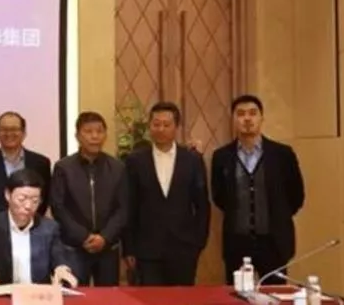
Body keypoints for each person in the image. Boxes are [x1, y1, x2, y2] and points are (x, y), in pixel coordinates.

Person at [211, 94, 305, 284]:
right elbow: (219, 197)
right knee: (236, 294)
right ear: (233, 120)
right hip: (237, 242)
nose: (247, 119)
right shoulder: (222, 156)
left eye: (253, 113)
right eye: (241, 114)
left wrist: (278, 216)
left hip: (274, 243)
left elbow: (296, 195)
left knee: (275, 294)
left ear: (262, 118)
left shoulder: (282, 154)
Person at [123, 102, 209, 286]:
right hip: (147, 250)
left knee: (182, 298)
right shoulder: (135, 160)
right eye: (156, 124)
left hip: (184, 249)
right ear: (150, 126)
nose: (160, 129)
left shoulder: (192, 159)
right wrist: (129, 248)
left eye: (166, 124)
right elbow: (129, 206)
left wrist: (198, 243)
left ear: (176, 127)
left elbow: (202, 205)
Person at [0, 168, 78, 290]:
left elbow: (59, 258)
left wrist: (61, 269)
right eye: (22, 199)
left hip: (37, 296)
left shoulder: (49, 228)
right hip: (2, 294)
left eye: (35, 201)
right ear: (8, 195)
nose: (28, 206)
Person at [50, 112, 127, 286]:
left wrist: (105, 237)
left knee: (108, 297)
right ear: (77, 136)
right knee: (75, 294)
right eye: (88, 131)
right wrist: (83, 236)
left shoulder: (118, 167)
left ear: (105, 135)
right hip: (74, 246)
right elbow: (58, 206)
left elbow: (123, 208)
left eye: (99, 131)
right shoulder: (64, 167)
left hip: (107, 247)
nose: (94, 136)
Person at [0, 111, 51, 220]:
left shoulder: (40, 163)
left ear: (24, 133)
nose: (9, 134)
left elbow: (44, 199)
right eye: (4, 129)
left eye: (14, 129)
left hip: (32, 226)